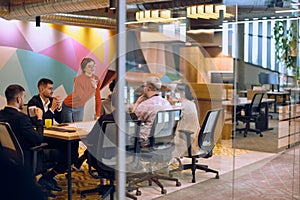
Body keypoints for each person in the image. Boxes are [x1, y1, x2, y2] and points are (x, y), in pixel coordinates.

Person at [0, 84, 57, 197]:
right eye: (24, 97)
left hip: (9, 157)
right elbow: (39, 139)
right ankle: (45, 179)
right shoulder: (21, 118)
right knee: (64, 152)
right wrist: (40, 118)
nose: (24, 100)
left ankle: (44, 181)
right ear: (18, 99)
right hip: (28, 156)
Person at [132, 76, 172, 146]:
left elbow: (133, 119)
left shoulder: (145, 105)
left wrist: (137, 103)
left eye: (144, 87)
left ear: (148, 88)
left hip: (145, 139)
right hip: (165, 137)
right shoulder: (166, 102)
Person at [62, 57, 101, 122]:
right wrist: (93, 88)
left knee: (78, 127)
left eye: (93, 66)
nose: (92, 68)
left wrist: (98, 115)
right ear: (84, 68)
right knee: (69, 128)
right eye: (89, 66)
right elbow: (81, 97)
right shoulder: (78, 79)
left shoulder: (96, 79)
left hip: (80, 107)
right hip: (69, 105)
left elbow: (98, 98)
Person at [173, 83, 201, 157]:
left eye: (176, 91)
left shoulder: (184, 105)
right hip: (194, 135)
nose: (175, 94)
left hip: (186, 138)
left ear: (182, 93)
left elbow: (174, 118)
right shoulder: (191, 103)